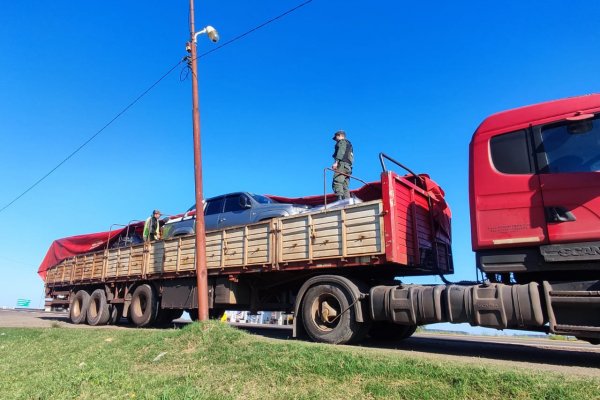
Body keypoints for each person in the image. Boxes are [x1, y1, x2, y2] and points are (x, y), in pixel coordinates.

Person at [331, 130, 354, 200]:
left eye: (336, 137)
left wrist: (336, 162)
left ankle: (339, 199)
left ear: (340, 135)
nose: (336, 140)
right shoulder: (349, 144)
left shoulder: (342, 142)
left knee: (337, 180)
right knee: (345, 184)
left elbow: (341, 151)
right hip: (348, 167)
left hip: (342, 165)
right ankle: (347, 200)